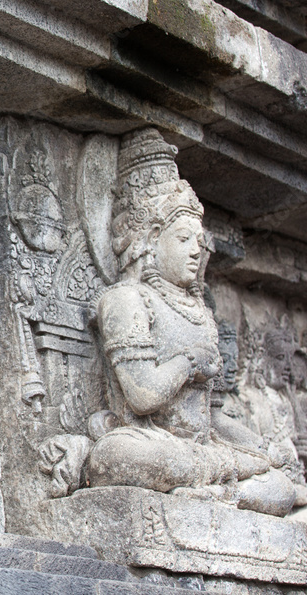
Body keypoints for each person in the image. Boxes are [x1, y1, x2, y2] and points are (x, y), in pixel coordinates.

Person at [86, 129, 296, 516]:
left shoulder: (199, 312)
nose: (196, 250)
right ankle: (220, 483)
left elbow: (210, 417)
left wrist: (261, 449)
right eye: (183, 238)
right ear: (151, 238)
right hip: (152, 443)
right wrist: (188, 363)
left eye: (199, 242)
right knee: (117, 456)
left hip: (202, 449)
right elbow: (142, 396)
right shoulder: (126, 298)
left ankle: (221, 495)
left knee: (280, 483)